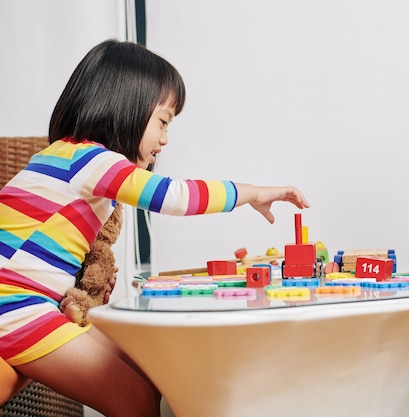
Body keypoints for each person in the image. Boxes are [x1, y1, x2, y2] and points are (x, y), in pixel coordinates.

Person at [0, 39, 309, 416]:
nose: (165, 139)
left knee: (150, 374)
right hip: (14, 308)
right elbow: (174, 197)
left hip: (30, 306)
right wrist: (253, 193)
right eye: (163, 121)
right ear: (124, 106)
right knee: (133, 398)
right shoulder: (90, 159)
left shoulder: (77, 161)